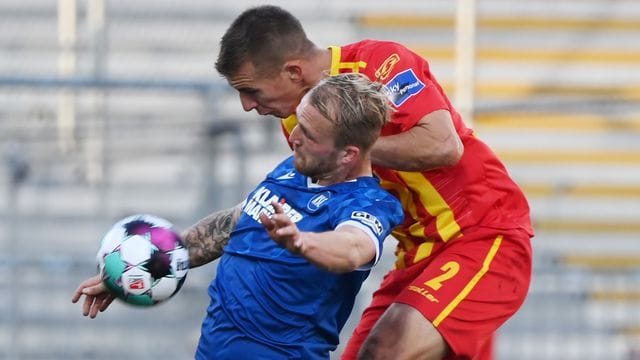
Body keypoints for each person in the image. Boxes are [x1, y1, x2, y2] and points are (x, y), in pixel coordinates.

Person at [211, 5, 534, 360]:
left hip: (485, 235)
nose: (246, 105)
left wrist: (346, 142)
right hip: (415, 255)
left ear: (293, 72)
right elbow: (307, 201)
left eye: (251, 90)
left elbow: (443, 145)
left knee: (385, 351)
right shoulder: (297, 125)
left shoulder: (380, 63)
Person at [72, 73, 404, 359]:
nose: (295, 138)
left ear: (348, 154)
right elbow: (233, 224)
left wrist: (302, 243)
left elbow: (352, 246)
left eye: (310, 135)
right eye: (298, 124)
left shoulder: (368, 203)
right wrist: (138, 268)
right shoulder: (294, 169)